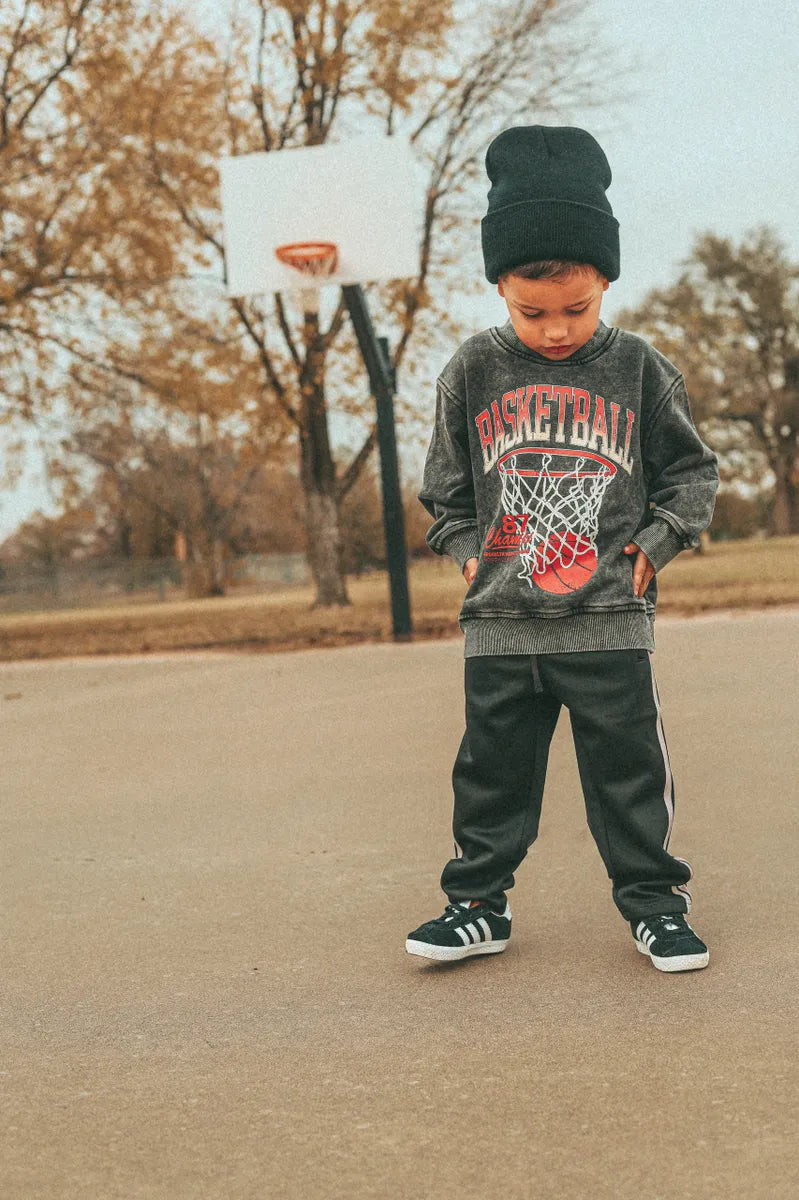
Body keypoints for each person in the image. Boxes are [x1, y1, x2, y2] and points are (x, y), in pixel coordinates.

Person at [406, 126, 719, 973]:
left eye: (574, 309)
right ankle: (476, 907)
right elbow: (443, 489)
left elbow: (692, 473)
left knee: (626, 778)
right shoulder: (470, 372)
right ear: (499, 287)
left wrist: (657, 541)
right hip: (501, 623)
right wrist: (469, 551)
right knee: (490, 779)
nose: (553, 330)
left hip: (607, 617)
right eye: (530, 310)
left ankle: (655, 906)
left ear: (605, 280)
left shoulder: (640, 370)